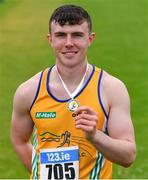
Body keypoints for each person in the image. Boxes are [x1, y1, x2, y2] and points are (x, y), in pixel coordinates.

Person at [11, 4, 136, 179]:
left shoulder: (111, 88)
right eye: (61, 35)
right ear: (50, 40)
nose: (69, 43)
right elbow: (19, 141)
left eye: (77, 35)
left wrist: (95, 136)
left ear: (90, 39)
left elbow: (128, 156)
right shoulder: (29, 91)